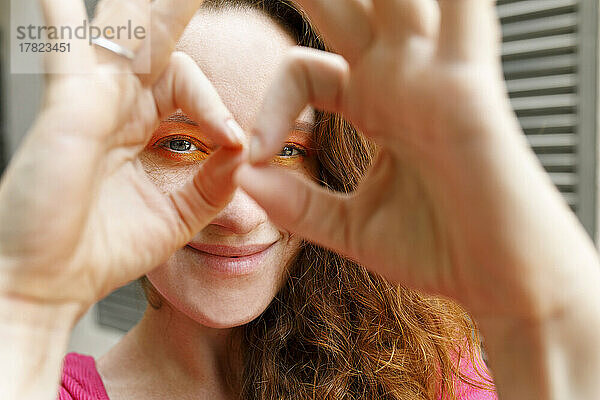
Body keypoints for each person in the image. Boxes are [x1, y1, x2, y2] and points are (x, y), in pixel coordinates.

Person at [1, 1, 599, 400]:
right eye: (180, 145)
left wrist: (538, 308)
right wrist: (22, 302)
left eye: (287, 149)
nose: (239, 213)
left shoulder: (425, 369)